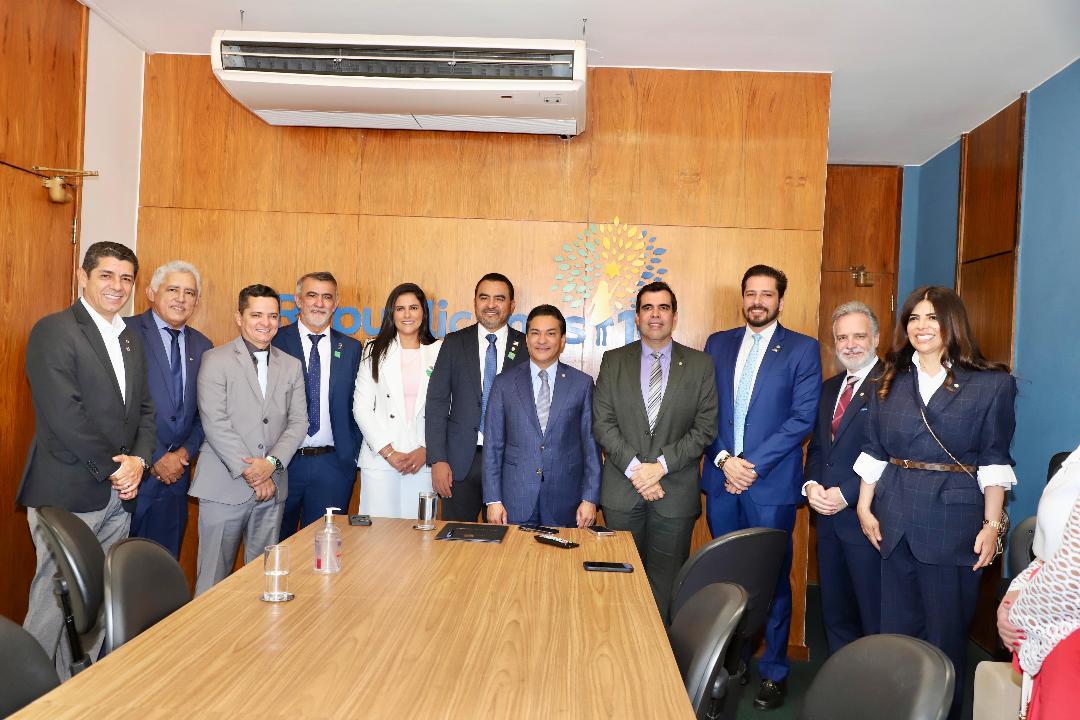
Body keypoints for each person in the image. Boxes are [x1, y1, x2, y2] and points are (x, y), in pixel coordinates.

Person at [855, 285, 1015, 720]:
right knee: (896, 636)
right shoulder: (888, 381)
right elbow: (874, 450)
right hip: (893, 520)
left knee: (944, 640)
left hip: (953, 525)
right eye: (913, 318)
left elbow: (994, 461)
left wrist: (991, 526)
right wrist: (864, 506)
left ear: (952, 324)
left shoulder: (991, 385)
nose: (921, 327)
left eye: (931, 318)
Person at [18, 241, 155, 677]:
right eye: (106, 275)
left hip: (120, 493)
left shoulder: (130, 337)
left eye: (126, 278)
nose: (117, 286)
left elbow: (144, 410)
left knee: (97, 603)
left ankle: (78, 689)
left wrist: (139, 463)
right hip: (68, 490)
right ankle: (25, 692)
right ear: (83, 276)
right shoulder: (55, 330)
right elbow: (64, 415)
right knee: (54, 600)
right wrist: (118, 468)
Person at [701, 264, 821, 710]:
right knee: (726, 577)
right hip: (722, 481)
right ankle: (732, 663)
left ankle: (774, 670)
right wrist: (723, 460)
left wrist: (749, 465)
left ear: (780, 301)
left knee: (771, 579)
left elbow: (801, 419)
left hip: (769, 485)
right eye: (751, 293)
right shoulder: (717, 344)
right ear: (743, 297)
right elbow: (704, 411)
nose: (757, 301)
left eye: (767, 294)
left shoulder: (802, 349)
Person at [593, 281, 718, 619]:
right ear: (637, 317)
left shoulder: (701, 365)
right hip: (623, 491)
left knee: (667, 585)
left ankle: (659, 650)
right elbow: (603, 423)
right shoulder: (614, 361)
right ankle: (620, 646)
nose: (655, 315)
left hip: (674, 492)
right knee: (619, 582)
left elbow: (704, 428)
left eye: (663, 308)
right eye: (647, 308)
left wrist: (660, 467)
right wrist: (638, 471)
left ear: (674, 316)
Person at [189, 284, 307, 595]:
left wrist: (271, 464)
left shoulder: (292, 365)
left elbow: (298, 422)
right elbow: (215, 422)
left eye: (273, 316)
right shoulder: (215, 359)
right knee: (213, 582)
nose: (266, 323)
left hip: (272, 489)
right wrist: (253, 472)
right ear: (239, 318)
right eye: (256, 315)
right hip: (223, 486)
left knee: (263, 582)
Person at [803, 301, 882, 656]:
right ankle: (842, 680)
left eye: (859, 336)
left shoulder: (894, 385)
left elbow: (891, 455)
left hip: (869, 521)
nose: (850, 345)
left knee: (873, 615)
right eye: (842, 338)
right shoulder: (829, 388)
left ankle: (875, 686)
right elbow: (820, 448)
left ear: (876, 338)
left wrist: (847, 494)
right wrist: (811, 486)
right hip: (828, 521)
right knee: (835, 613)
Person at [124, 260, 213, 558]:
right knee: (120, 565)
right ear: (151, 292)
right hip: (133, 475)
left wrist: (184, 453)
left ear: (197, 301)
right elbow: (118, 407)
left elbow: (204, 413)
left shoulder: (203, 346)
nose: (181, 298)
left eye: (190, 293)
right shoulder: (125, 333)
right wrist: (157, 456)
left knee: (163, 565)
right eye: (173, 289)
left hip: (176, 479)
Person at [483, 305, 601, 528]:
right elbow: (493, 446)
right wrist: (493, 500)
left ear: (562, 340)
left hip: (566, 501)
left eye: (551, 333)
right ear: (527, 339)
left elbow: (591, 446)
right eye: (535, 333)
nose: (542, 340)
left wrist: (590, 498)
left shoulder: (582, 384)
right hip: (514, 499)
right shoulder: (503, 383)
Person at [426, 273, 527, 521]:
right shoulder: (454, 343)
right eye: (484, 298)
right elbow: (437, 403)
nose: (491, 305)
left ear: (512, 305)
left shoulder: (527, 347)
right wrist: (437, 459)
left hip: (509, 464)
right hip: (459, 465)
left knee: (507, 539)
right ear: (475, 302)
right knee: (456, 540)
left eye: (499, 298)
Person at [272, 272, 362, 538]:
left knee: (324, 547)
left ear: (336, 303)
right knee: (277, 544)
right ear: (298, 299)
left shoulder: (351, 348)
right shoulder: (275, 341)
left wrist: (351, 454)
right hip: (283, 464)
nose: (319, 303)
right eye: (312, 295)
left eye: (327, 297)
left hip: (332, 466)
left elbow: (358, 405)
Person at [998, 444, 1080, 720]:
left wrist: (1018, 615)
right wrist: (1015, 591)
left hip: (1068, 632)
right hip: (1055, 628)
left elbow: (1073, 571)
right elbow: (1048, 552)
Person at [354, 284, 442, 518]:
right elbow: (361, 408)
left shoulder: (439, 351)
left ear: (423, 312)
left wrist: (426, 449)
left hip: (422, 461)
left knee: (420, 532)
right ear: (391, 314)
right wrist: (389, 452)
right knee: (379, 534)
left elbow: (448, 408)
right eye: (400, 308)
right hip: (381, 459)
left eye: (413, 307)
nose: (407, 314)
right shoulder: (373, 350)